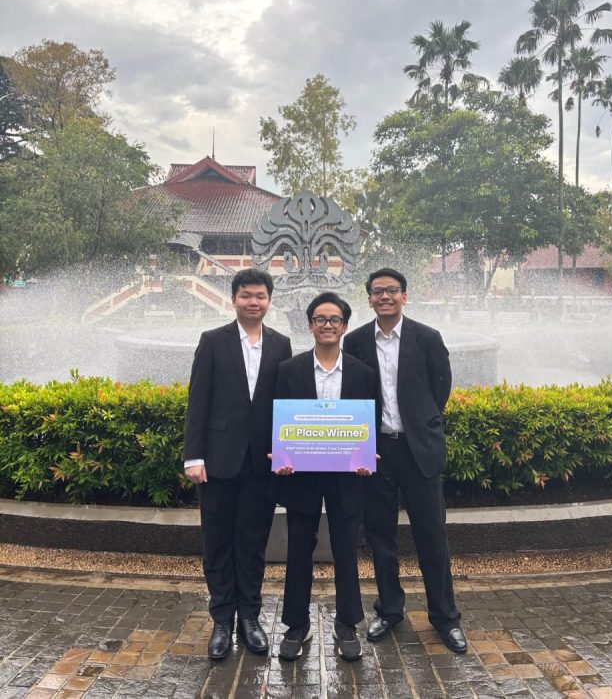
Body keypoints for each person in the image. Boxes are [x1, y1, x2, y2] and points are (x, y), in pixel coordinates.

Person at [343, 268, 467, 654]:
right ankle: (390, 609)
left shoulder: (427, 338)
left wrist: (419, 424)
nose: (385, 296)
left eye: (392, 290)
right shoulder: (355, 341)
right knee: (380, 536)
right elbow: (351, 392)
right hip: (376, 451)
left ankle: (445, 618)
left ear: (404, 296)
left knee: (432, 536)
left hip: (418, 451)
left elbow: (440, 389)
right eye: (378, 291)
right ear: (369, 299)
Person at [183, 268, 292, 660]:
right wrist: (193, 456)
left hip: (262, 463)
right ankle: (221, 621)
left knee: (252, 543)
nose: (253, 302)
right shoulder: (213, 341)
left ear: (269, 300)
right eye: (246, 295)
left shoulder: (281, 344)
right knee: (218, 543)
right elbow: (198, 401)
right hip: (217, 461)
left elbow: (285, 404)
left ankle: (249, 617)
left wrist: (288, 453)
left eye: (260, 296)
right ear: (234, 299)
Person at [273, 292, 376, 662]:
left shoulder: (363, 373)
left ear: (344, 326)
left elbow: (370, 422)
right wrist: (281, 456)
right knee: (299, 547)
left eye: (334, 319)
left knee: (346, 548)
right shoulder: (289, 370)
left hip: (347, 474)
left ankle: (347, 623)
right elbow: (280, 420)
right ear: (310, 325)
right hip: (302, 473)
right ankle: (296, 624)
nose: (327, 325)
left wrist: (368, 456)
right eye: (320, 319)